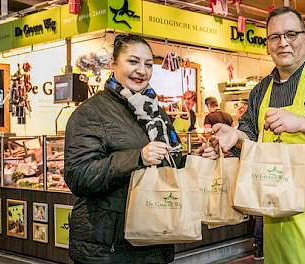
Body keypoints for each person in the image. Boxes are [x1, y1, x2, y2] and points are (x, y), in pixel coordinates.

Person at [211, 7, 305, 263]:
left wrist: (304, 123)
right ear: (267, 45)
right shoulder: (261, 90)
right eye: (275, 37)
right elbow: (250, 135)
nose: (283, 42)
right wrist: (234, 136)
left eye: (291, 34)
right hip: (275, 216)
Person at [64, 34, 216, 264]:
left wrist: (196, 158)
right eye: (133, 62)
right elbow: (79, 176)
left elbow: (168, 164)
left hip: (155, 237)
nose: (142, 71)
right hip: (108, 248)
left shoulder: (154, 111)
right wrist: (138, 157)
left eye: (148, 64)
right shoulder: (91, 112)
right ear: (113, 64)